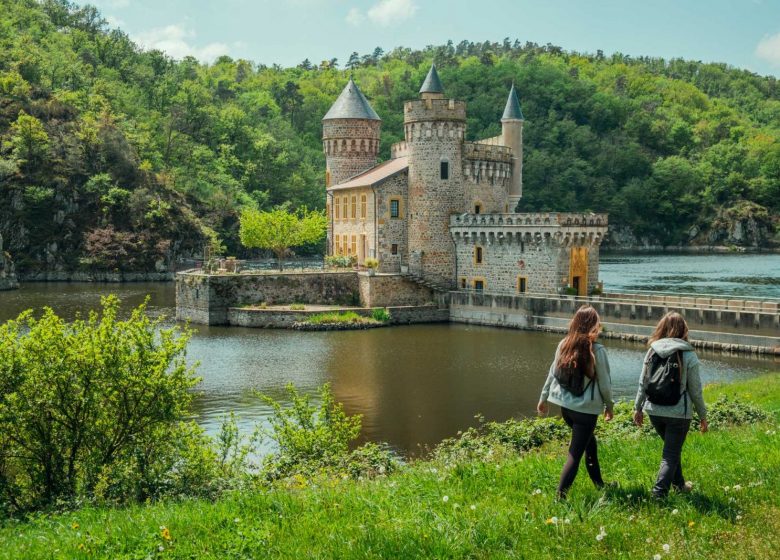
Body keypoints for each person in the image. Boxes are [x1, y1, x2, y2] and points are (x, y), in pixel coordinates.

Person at [537, 305, 614, 498]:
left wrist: (543, 397)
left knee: (590, 445)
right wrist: (609, 406)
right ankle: (560, 497)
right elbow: (605, 384)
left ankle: (600, 485)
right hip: (585, 411)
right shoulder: (597, 350)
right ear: (594, 326)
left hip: (566, 409)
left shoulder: (564, 344)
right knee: (574, 455)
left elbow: (552, 373)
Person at [633, 311, 708, 498]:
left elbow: (643, 382)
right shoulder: (688, 354)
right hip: (678, 413)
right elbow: (696, 391)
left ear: (662, 328)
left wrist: (638, 408)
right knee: (670, 454)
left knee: (672, 450)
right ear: (684, 330)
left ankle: (680, 485)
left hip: (654, 411)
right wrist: (703, 416)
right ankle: (658, 495)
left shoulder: (652, 351)